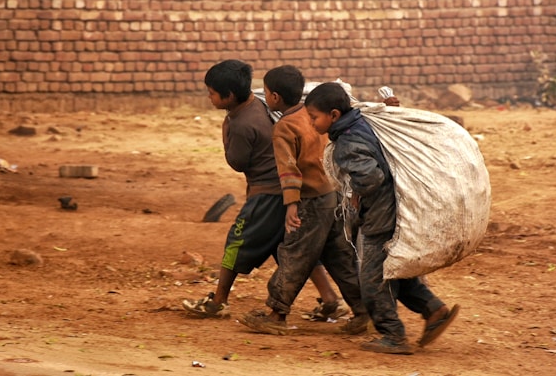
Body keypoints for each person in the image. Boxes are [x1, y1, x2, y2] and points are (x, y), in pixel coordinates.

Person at [181, 60, 348, 321]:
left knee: (236, 242)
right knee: (290, 246)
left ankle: (218, 301)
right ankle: (330, 300)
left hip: (268, 194)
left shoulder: (240, 124)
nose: (209, 97)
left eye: (212, 93)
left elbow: (237, 162)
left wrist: (226, 130)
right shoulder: (258, 103)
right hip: (287, 191)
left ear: (229, 96)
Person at [304, 82, 460, 355]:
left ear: (334, 115)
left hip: (380, 216)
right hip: (397, 210)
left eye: (314, 117)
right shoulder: (363, 121)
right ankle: (434, 310)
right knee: (392, 269)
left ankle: (392, 335)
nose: (311, 122)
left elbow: (371, 177)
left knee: (372, 278)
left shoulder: (347, 142)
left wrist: (354, 192)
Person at [238, 65, 370, 335]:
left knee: (295, 254)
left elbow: (289, 170)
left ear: (274, 98)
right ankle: (364, 310)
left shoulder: (285, 127)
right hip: (333, 196)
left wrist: (291, 205)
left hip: (311, 201)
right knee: (339, 256)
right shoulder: (313, 115)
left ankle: (276, 314)